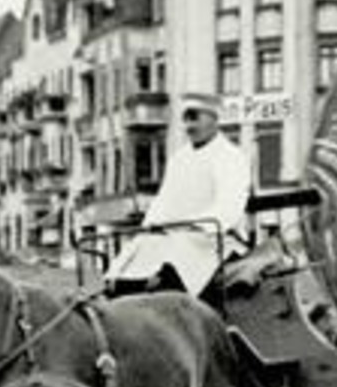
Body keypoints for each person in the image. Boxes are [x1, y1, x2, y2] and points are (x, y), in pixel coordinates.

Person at [105, 92, 252, 297]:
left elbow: (229, 206)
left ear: (214, 119)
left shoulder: (231, 157)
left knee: (174, 262)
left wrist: (194, 225)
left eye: (195, 118)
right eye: (186, 119)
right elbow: (164, 201)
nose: (190, 126)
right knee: (134, 254)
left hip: (215, 240)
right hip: (175, 236)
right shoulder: (179, 159)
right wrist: (151, 226)